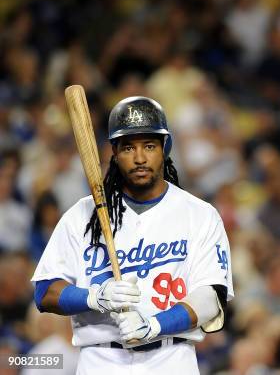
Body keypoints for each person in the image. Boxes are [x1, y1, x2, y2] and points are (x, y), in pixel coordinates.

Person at [30, 96, 234, 375]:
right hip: (101, 360)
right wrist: (94, 297)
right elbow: (45, 292)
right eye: (128, 147)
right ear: (114, 152)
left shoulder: (199, 214)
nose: (139, 158)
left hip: (172, 358)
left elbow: (211, 298)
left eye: (149, 146)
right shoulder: (82, 215)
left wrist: (155, 325)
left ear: (164, 148)